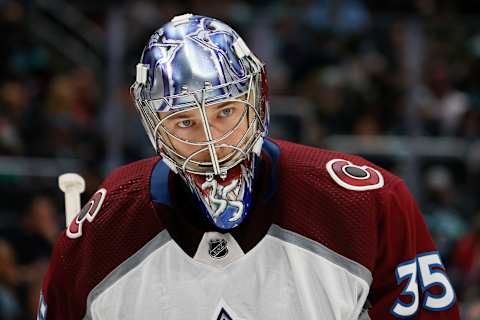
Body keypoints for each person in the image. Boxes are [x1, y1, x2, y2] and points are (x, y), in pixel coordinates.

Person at [38, 14, 460, 319]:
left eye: (225, 111)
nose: (210, 138)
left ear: (257, 98)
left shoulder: (368, 205)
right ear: (153, 125)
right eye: (184, 121)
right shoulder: (99, 234)